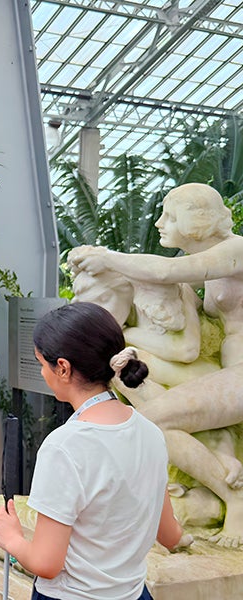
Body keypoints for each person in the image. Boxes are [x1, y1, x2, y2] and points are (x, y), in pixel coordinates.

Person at [69, 182, 243, 546]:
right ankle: (219, 469)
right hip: (229, 373)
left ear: (196, 221)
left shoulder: (237, 250)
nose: (160, 222)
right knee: (153, 414)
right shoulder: (208, 267)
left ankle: (234, 498)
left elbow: (165, 273)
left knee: (151, 422)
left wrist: (108, 257)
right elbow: (166, 281)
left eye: (169, 215)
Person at [0, 302, 183, 600]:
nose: (43, 372)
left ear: (63, 368)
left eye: (43, 363)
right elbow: (171, 536)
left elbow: (46, 563)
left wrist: (11, 538)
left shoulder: (64, 446)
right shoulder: (151, 434)